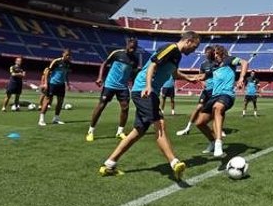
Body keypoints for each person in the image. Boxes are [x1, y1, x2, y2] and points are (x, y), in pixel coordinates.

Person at [99, 31, 203, 180]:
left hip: (147, 91)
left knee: (138, 131)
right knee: (159, 122)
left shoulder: (177, 55)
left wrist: (189, 78)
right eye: (195, 46)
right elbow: (152, 65)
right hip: (145, 90)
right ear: (189, 41)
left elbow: (172, 73)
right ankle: (174, 162)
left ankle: (109, 164)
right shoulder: (170, 48)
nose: (194, 50)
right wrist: (148, 86)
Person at [195, 45, 248, 157]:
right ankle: (213, 142)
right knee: (199, 123)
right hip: (214, 96)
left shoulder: (229, 60)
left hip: (227, 94)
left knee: (217, 108)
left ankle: (219, 143)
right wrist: (186, 76)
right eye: (214, 55)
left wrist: (241, 78)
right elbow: (203, 76)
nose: (215, 56)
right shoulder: (214, 66)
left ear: (222, 53)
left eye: (216, 54)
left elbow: (244, 62)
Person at [86, 38, 140, 142]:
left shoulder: (135, 59)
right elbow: (104, 64)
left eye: (134, 48)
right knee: (101, 106)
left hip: (123, 87)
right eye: (131, 47)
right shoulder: (117, 53)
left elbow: (133, 73)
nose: (132, 50)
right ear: (127, 45)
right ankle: (90, 131)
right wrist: (100, 77)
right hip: (110, 84)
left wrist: (134, 86)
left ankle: (120, 132)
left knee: (125, 108)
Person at [177, 45, 216, 136]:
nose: (206, 55)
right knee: (198, 108)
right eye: (206, 53)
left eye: (208, 53)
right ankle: (188, 128)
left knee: (216, 109)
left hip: (215, 90)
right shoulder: (203, 64)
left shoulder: (217, 64)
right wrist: (203, 83)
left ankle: (218, 129)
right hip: (206, 90)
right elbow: (200, 77)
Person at [38, 49, 71, 126]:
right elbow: (47, 72)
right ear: (63, 54)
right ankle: (41, 119)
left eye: (69, 55)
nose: (68, 56)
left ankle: (56, 118)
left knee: (60, 102)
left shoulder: (68, 63)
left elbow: (66, 74)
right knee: (47, 101)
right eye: (67, 55)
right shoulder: (56, 61)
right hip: (52, 84)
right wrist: (46, 83)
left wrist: (68, 84)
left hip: (61, 85)